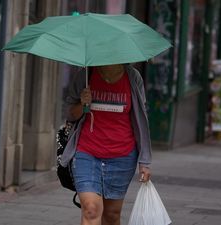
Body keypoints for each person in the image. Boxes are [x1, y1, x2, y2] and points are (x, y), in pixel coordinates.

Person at [61, 63, 152, 225]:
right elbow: (69, 113)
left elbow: (141, 119)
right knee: (91, 209)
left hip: (122, 155)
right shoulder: (86, 75)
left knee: (111, 215)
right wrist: (83, 104)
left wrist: (144, 161)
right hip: (86, 152)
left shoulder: (133, 77)